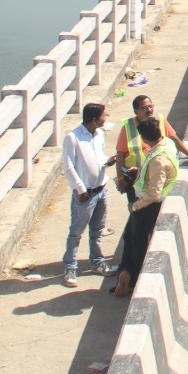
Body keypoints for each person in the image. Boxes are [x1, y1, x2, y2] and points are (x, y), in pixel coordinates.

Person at [114, 117, 179, 297]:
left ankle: (131, 277)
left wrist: (135, 206)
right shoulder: (166, 145)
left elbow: (153, 194)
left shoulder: (159, 159)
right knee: (132, 237)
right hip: (147, 202)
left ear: (144, 138)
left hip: (148, 205)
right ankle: (127, 273)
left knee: (137, 241)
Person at [60, 102, 117, 287]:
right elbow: (68, 167)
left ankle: (97, 262)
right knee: (76, 232)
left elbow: (99, 156)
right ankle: (70, 267)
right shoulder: (73, 138)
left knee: (98, 230)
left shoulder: (99, 134)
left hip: (101, 188)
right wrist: (80, 188)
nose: (105, 119)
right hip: (85, 194)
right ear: (94, 119)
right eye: (103, 116)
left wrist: (108, 162)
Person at [115, 94, 188, 198]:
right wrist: (120, 178)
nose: (149, 110)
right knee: (138, 210)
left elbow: (174, 138)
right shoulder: (128, 127)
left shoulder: (159, 121)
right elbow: (120, 155)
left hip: (158, 175)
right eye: (144, 108)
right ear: (136, 111)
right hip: (136, 179)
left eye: (150, 106)